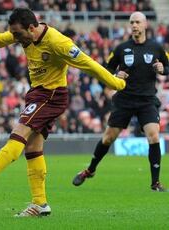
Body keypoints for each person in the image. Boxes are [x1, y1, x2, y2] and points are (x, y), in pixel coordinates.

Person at [0, 7, 126, 217]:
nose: (14, 38)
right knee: (32, 148)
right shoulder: (23, 35)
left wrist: (118, 83)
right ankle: (40, 204)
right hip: (38, 94)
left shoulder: (58, 42)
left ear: (32, 27)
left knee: (19, 133)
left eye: (17, 34)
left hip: (51, 95)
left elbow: (89, 65)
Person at [72, 12, 169, 192]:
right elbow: (106, 70)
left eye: (137, 22)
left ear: (145, 24)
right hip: (124, 99)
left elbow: (168, 67)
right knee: (108, 138)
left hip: (147, 100)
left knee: (154, 136)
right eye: (132, 22)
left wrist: (163, 70)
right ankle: (90, 170)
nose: (134, 25)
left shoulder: (156, 48)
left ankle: (155, 183)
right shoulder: (121, 48)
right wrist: (114, 76)